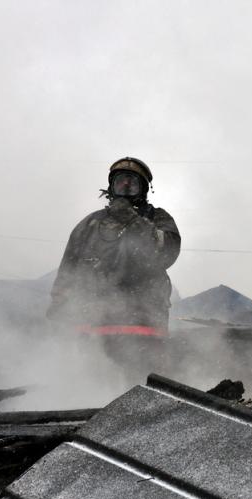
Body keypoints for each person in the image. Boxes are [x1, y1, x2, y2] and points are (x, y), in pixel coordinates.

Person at [47, 157, 181, 377]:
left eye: (132, 183)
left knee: (139, 380)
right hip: (93, 320)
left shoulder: (159, 219)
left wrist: (134, 220)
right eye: (120, 182)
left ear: (143, 189)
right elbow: (68, 269)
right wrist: (59, 305)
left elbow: (166, 253)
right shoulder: (90, 224)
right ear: (111, 186)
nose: (126, 187)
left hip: (143, 320)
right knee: (91, 378)